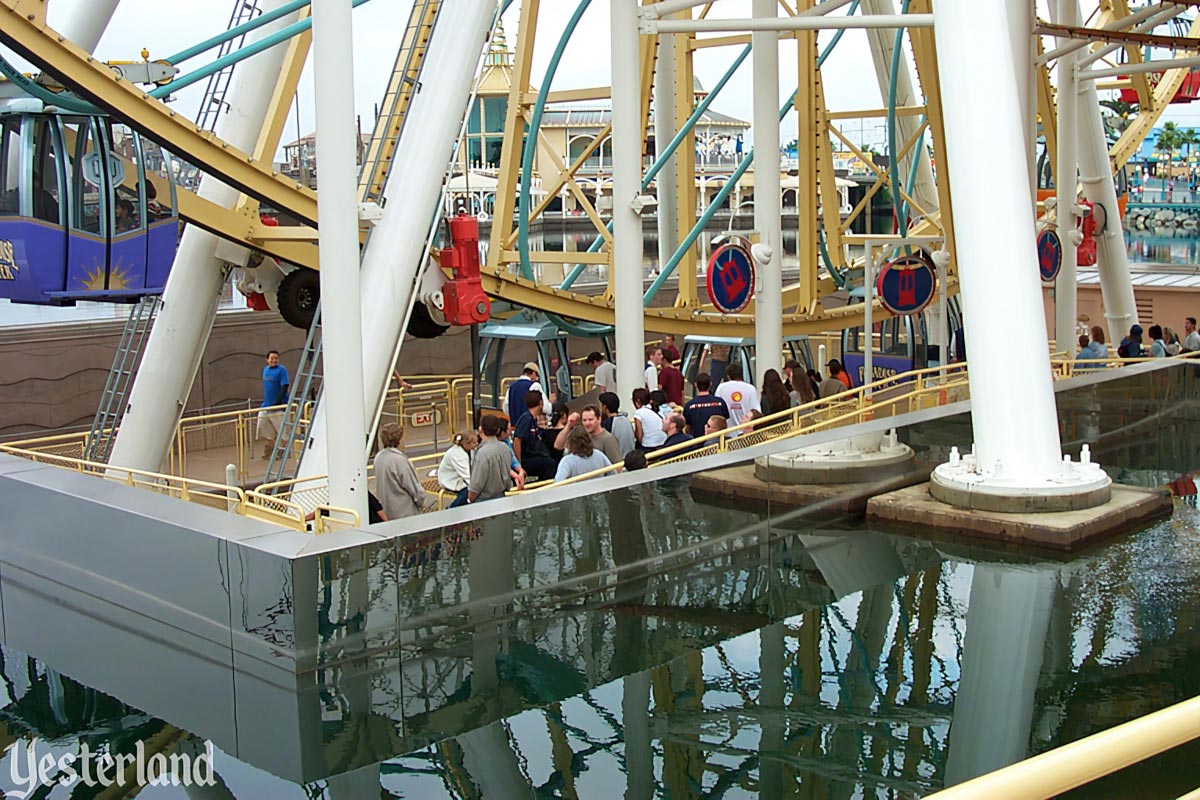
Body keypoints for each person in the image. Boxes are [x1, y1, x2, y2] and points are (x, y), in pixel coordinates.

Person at [373, 422, 432, 520]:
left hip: (387, 510)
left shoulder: (379, 457)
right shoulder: (399, 460)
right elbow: (413, 487)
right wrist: (422, 501)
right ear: (399, 440)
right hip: (405, 513)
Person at [553, 405, 624, 466]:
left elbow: (618, 466)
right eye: (584, 420)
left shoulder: (608, 439)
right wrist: (568, 425)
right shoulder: (580, 436)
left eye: (590, 420)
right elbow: (558, 446)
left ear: (599, 419)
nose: (587, 423)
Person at [468, 415, 517, 503]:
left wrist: (470, 499)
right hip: (503, 496)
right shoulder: (505, 448)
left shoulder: (482, 454)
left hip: (484, 500)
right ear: (498, 430)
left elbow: (476, 484)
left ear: (480, 429)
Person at [512, 389, 557, 481]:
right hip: (525, 459)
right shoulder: (526, 419)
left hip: (532, 455)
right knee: (549, 464)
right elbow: (517, 440)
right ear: (540, 403)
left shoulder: (533, 420)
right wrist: (519, 465)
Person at [256, 350, 290, 459]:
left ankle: (284, 451)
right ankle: (269, 449)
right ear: (267, 360)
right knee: (262, 426)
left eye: (276, 358)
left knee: (282, 431)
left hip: (278, 407)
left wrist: (278, 401)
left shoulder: (282, 370)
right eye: (272, 358)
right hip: (266, 405)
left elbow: (285, 385)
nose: (274, 360)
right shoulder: (265, 370)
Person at [438, 430, 478, 508]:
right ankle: (452, 509)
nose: (476, 444)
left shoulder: (470, 450)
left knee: (472, 489)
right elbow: (466, 475)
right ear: (466, 443)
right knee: (468, 492)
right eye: (474, 443)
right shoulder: (456, 454)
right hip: (450, 480)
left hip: (460, 478)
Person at [714, 362, 760, 427]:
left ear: (728, 376)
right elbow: (756, 411)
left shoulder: (721, 388)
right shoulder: (751, 388)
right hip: (747, 429)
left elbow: (717, 409)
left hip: (727, 432)